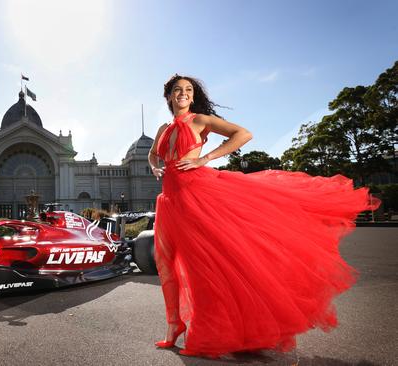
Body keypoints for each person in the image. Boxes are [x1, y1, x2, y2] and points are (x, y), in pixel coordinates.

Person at [148, 74, 380, 358]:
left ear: (192, 97)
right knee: (165, 263)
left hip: (197, 195)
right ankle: (174, 327)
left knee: (203, 267)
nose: (182, 93)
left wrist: (204, 159)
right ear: (169, 96)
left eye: (188, 90)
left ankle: (212, 335)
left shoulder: (200, 120)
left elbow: (243, 134)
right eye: (177, 90)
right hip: (170, 201)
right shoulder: (163, 128)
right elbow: (152, 154)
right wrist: (155, 166)